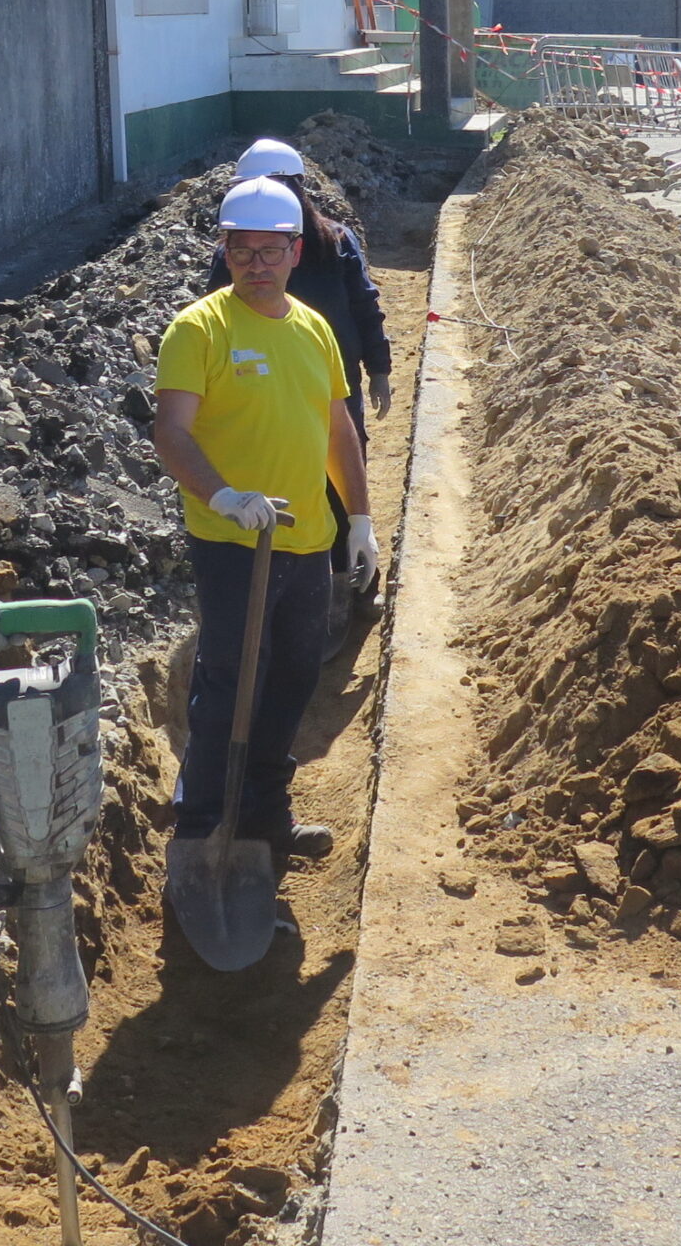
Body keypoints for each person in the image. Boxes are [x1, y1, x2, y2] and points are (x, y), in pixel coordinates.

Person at [155, 177, 378, 864]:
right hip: (234, 543)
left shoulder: (312, 330)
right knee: (227, 681)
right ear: (224, 250)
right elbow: (171, 432)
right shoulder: (199, 329)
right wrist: (224, 497)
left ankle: (264, 816)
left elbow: (340, 431)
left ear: (295, 251)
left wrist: (361, 520)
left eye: (270, 250)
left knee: (291, 681)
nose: (256, 262)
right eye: (241, 249)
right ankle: (199, 827)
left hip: (308, 542)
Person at [203, 137, 395, 641]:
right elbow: (213, 314)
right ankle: (298, 592)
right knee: (286, 481)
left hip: (329, 380)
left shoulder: (334, 242)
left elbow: (364, 305)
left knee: (340, 478)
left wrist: (378, 366)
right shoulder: (238, 254)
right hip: (262, 384)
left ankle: (352, 585)